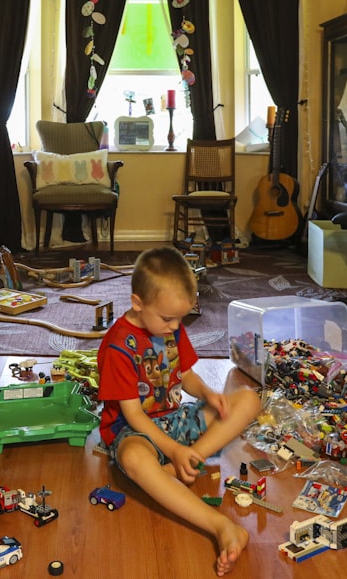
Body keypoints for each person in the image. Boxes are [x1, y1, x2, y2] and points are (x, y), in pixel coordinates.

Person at [96, 247, 261, 576]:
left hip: (174, 421)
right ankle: (219, 525)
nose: (174, 327)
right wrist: (173, 448)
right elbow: (134, 416)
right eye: (168, 319)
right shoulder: (118, 346)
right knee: (132, 459)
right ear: (138, 303)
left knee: (248, 399)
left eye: (180, 319)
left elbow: (186, 376)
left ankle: (185, 464)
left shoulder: (169, 328)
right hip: (134, 433)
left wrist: (210, 395)